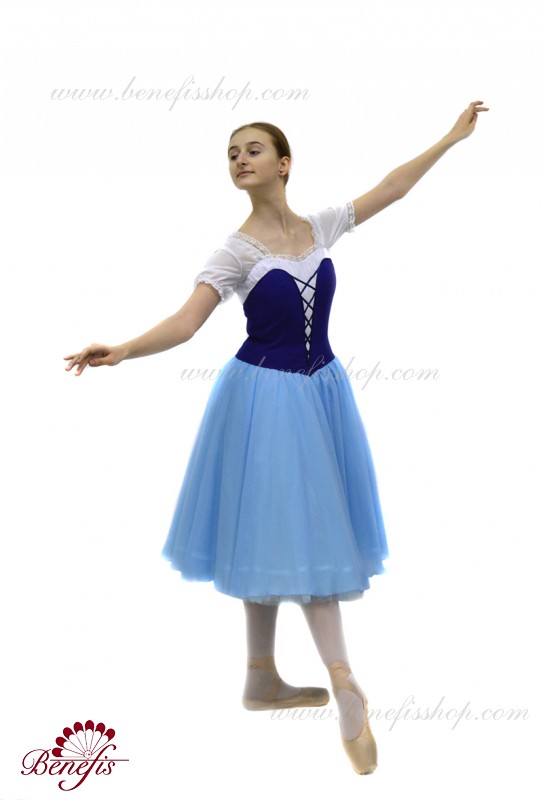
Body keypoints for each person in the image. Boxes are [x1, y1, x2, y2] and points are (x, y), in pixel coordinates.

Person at [64, 100, 488, 774]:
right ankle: (339, 681)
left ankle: (264, 677)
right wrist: (122, 349)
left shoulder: (319, 226)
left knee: (297, 531)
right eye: (232, 154)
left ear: (284, 164)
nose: (240, 159)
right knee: (284, 532)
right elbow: (185, 324)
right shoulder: (235, 252)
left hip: (320, 392)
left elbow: (391, 188)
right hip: (262, 399)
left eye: (253, 149)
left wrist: (449, 138)